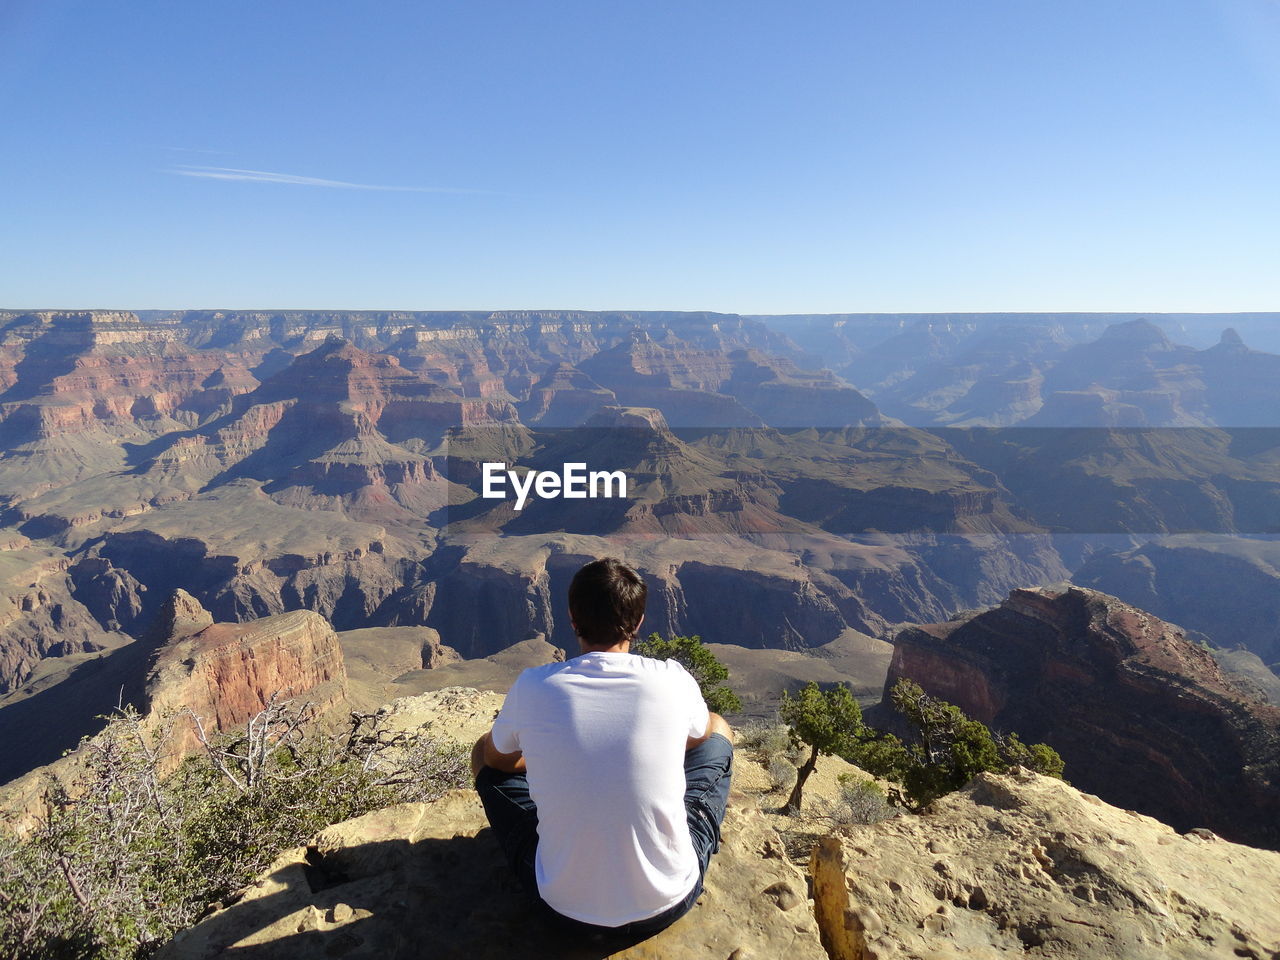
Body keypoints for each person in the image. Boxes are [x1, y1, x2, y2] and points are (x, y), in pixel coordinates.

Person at [471, 557, 734, 939]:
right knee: (718, 727)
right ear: (639, 622)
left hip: (561, 912)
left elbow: (497, 760)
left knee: (483, 751)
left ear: (572, 619)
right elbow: (696, 739)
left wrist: (554, 759)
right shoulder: (673, 679)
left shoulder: (533, 686)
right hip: (669, 902)